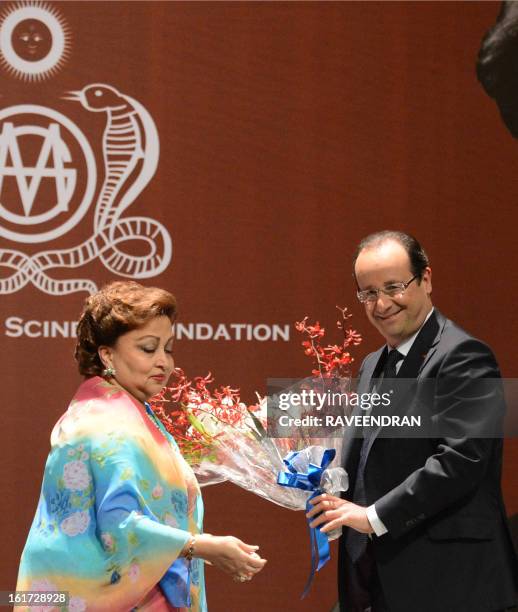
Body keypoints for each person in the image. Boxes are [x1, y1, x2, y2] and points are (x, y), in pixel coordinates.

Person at [16, 280, 266, 611]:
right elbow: (119, 524)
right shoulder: (108, 423)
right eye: (149, 348)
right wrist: (200, 546)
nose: (165, 362)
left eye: (169, 348)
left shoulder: (114, 410)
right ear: (107, 354)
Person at [307, 231, 518, 611]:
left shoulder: (465, 356)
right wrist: (327, 486)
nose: (382, 303)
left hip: (451, 586)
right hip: (378, 582)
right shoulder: (373, 364)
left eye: (394, 287)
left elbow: (462, 460)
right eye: (368, 293)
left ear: (426, 279)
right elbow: (374, 460)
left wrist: (372, 516)